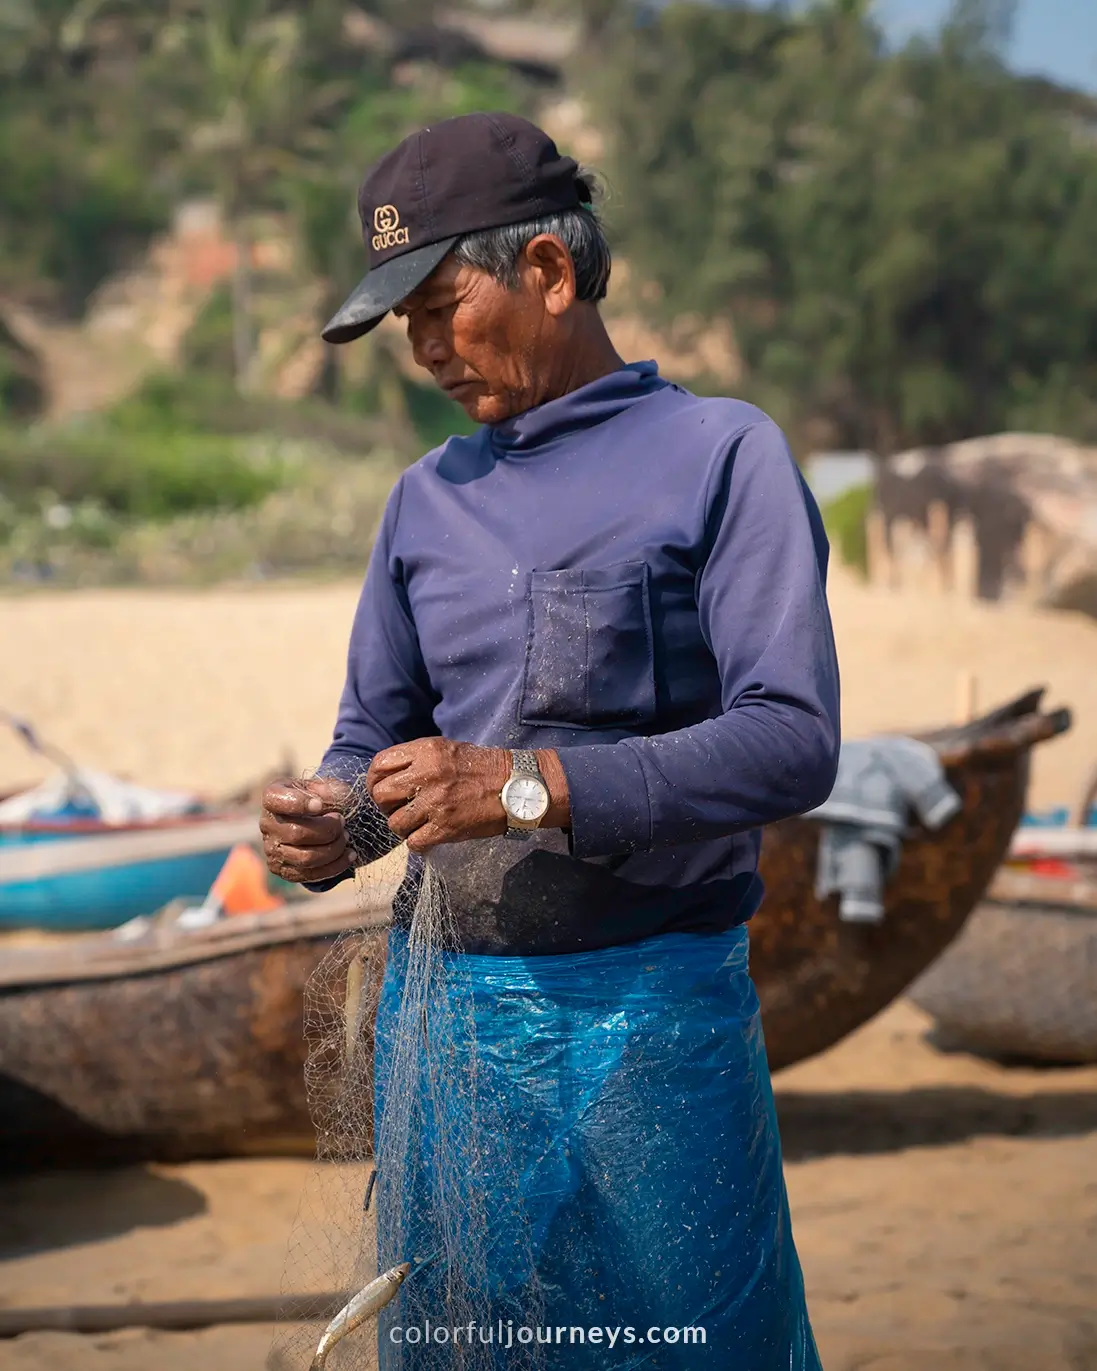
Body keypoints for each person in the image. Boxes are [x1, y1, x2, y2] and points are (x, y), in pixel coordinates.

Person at [261, 111, 840, 1368]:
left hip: (649, 1019)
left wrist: (523, 786)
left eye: (435, 306)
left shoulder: (718, 455)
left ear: (549, 273)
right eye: (399, 324)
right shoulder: (423, 501)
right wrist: (330, 825)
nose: (420, 349)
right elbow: (376, 744)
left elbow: (790, 743)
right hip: (447, 1032)